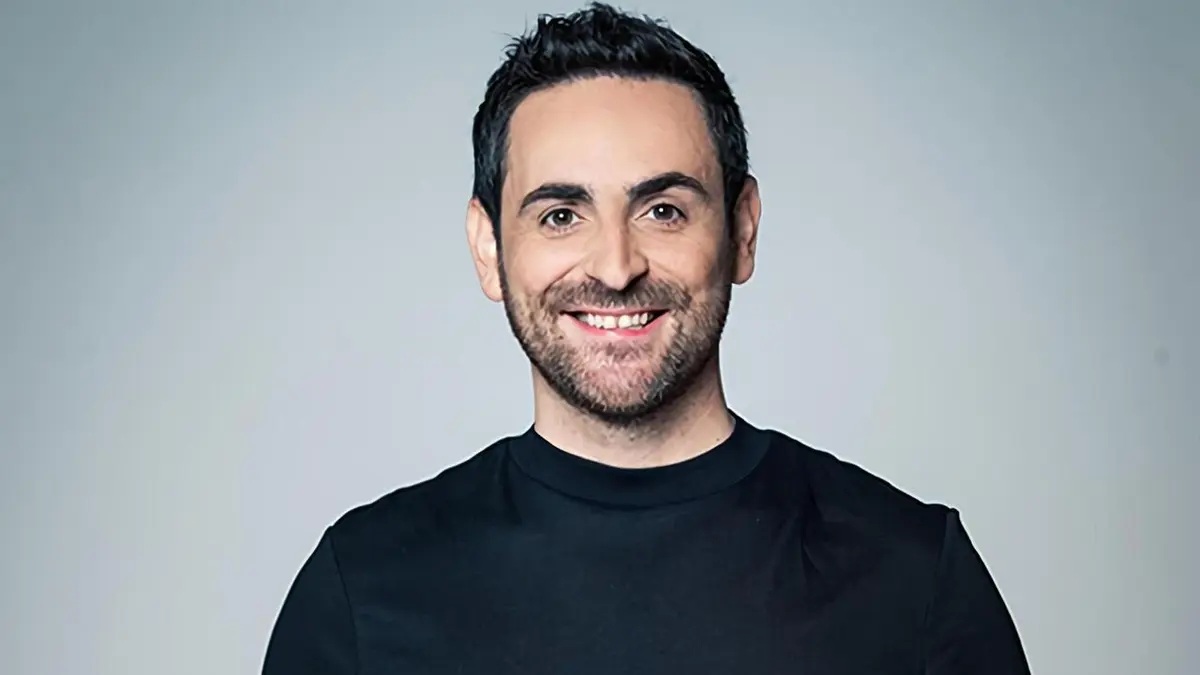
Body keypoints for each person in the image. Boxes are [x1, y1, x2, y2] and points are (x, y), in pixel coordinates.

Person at [261, 3, 1031, 673]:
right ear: (489, 248)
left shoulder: (913, 576)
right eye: (561, 215)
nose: (616, 265)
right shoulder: (363, 590)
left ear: (742, 230)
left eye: (663, 210)